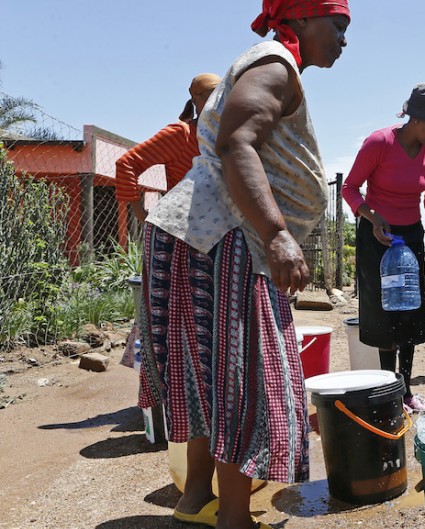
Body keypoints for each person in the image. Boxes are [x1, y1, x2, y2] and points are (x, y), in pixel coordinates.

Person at [137, 2, 350, 528]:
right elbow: (237, 143)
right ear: (300, 19)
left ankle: (195, 503)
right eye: (338, 24)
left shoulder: (270, 63)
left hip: (198, 233)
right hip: (226, 237)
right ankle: (234, 517)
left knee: (210, 376)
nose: (345, 38)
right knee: (242, 379)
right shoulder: (276, 62)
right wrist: (277, 234)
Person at [341, 82, 425, 413]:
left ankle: (404, 393)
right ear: (417, 118)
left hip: (410, 236)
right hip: (376, 235)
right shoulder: (379, 142)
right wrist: (372, 217)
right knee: (385, 313)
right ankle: (389, 390)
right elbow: (350, 188)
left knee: (410, 311)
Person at [115, 73, 221, 222]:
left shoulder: (225, 137)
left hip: (220, 230)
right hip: (182, 229)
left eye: (222, 98)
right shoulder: (182, 134)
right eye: (212, 97)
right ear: (196, 100)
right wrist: (141, 215)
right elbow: (127, 163)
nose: (218, 103)